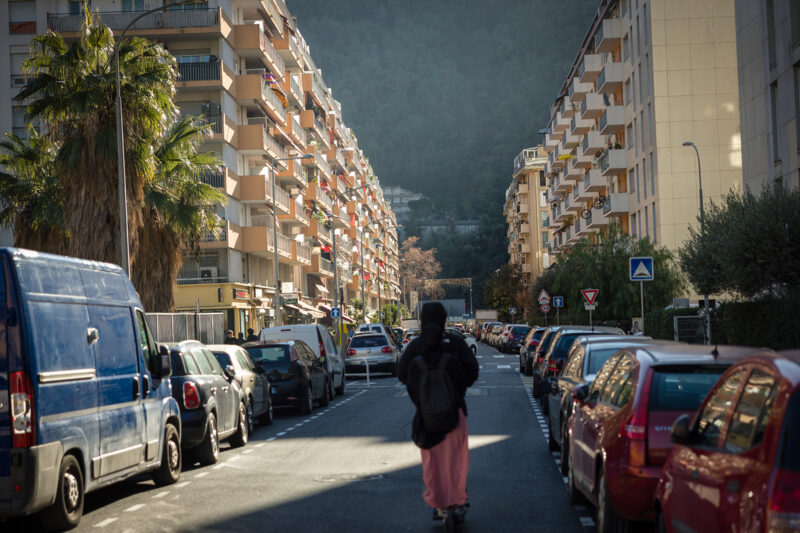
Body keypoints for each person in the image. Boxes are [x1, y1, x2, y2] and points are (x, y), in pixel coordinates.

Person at [398, 302, 479, 525]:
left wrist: (420, 396)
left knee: (432, 463)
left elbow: (402, 372)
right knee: (457, 461)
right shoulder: (455, 343)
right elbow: (473, 371)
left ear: (423, 320)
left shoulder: (416, 346)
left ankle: (437, 501)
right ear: (444, 320)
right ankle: (459, 499)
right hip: (455, 413)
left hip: (427, 418)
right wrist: (458, 390)